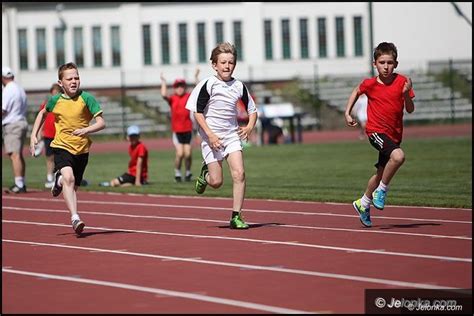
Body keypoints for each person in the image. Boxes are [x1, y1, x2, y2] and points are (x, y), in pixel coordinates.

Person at [185, 42, 258, 229]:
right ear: (214, 65)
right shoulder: (208, 84)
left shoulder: (239, 86)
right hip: (212, 138)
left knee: (239, 173)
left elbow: (252, 110)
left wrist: (249, 127)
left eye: (231, 62)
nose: (227, 66)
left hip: (232, 135)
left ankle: (236, 216)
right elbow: (197, 112)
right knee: (216, 182)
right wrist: (210, 135)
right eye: (223, 62)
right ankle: (205, 173)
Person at [29, 62, 106, 235]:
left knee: (71, 186)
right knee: (69, 179)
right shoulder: (55, 100)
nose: (74, 81)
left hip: (82, 150)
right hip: (61, 146)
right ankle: (75, 218)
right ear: (60, 83)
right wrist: (34, 135)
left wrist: (87, 129)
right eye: (69, 79)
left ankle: (59, 180)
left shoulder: (87, 98)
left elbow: (101, 122)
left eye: (76, 78)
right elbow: (42, 113)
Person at [344, 42, 415, 228]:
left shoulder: (403, 82)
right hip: (375, 131)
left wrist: (407, 94)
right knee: (398, 156)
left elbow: (410, 109)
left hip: (395, 134)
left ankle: (363, 203)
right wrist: (347, 112)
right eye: (382, 62)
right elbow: (356, 91)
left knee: (381, 172)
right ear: (375, 64)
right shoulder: (370, 84)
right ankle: (381, 191)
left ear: (396, 64)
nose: (386, 66)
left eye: (390, 62)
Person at [160, 69, 199, 182]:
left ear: (185, 87)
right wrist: (163, 81)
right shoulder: (172, 98)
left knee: (188, 153)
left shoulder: (188, 96)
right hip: (177, 131)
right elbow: (163, 94)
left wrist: (196, 77)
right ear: (175, 87)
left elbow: (198, 90)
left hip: (188, 130)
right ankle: (177, 172)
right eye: (177, 86)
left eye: (182, 86)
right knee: (180, 153)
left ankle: (188, 172)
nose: (180, 88)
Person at [2, 66, 28, 194]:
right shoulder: (19, 88)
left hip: (12, 124)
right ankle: (21, 182)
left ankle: (19, 184)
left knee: (14, 155)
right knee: (18, 154)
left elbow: (3, 109)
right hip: (21, 121)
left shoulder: (8, 90)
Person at [36, 83, 62, 188]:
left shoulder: (62, 104)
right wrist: (39, 132)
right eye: (53, 92)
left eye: (57, 92)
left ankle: (57, 176)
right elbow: (41, 118)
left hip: (59, 134)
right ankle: (49, 176)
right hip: (48, 134)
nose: (55, 94)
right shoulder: (47, 104)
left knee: (58, 156)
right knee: (49, 157)